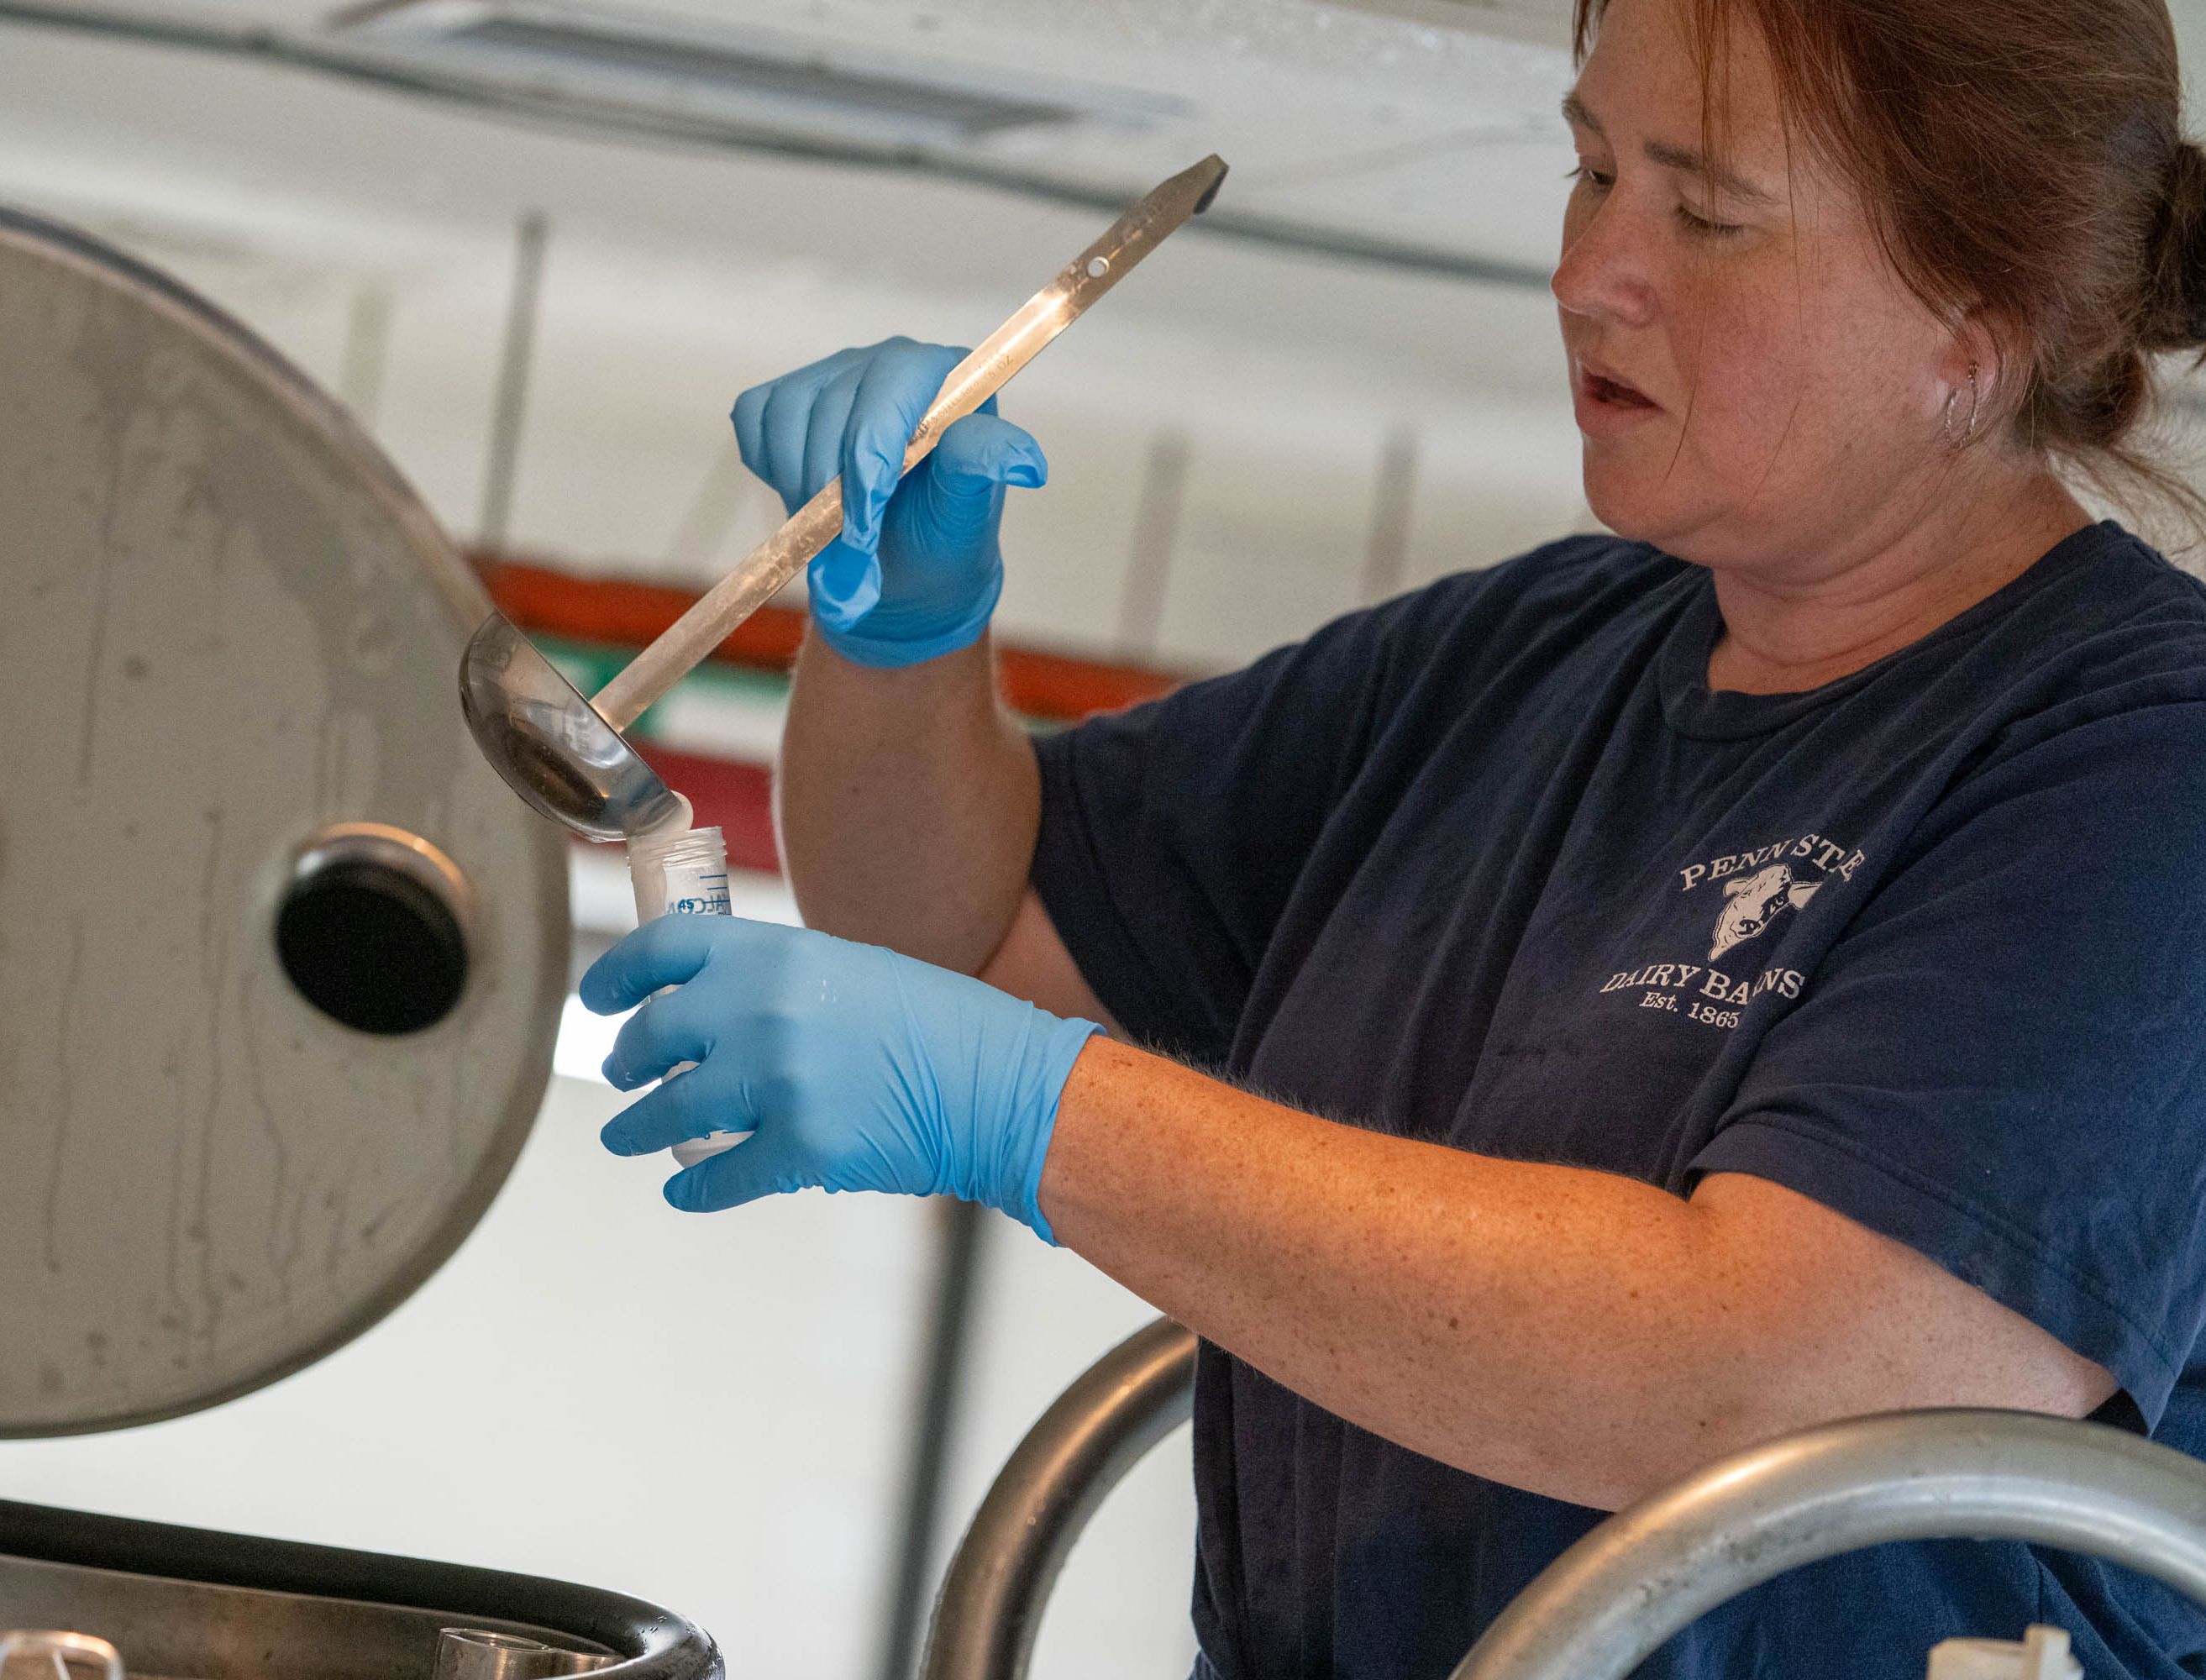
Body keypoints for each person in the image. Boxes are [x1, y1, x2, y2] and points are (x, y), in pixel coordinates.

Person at [580, 0, 2206, 1670]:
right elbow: (950, 929)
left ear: (1978, 320)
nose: (1589, 272)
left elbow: (1773, 1380)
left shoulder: (2136, 771)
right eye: (1589, 172)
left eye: (1704, 210)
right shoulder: (1518, 662)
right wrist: (903, 637)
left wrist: (1031, 1109)